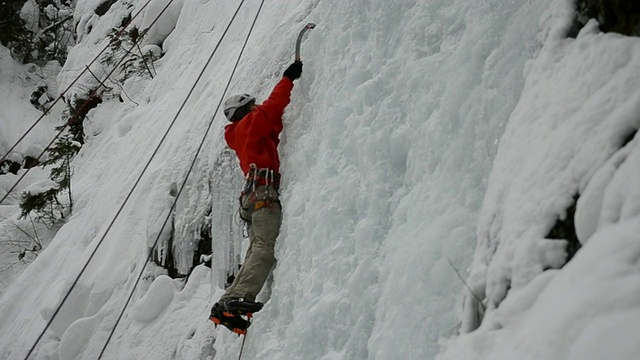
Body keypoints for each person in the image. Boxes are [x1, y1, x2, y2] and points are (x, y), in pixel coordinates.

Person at [209, 61, 303, 334]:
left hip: (251, 198)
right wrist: (288, 78)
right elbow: (273, 106)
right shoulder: (251, 123)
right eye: (253, 105)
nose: (257, 107)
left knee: (255, 250)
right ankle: (239, 297)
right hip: (262, 193)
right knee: (264, 247)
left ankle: (228, 303)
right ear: (247, 110)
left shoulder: (238, 134)